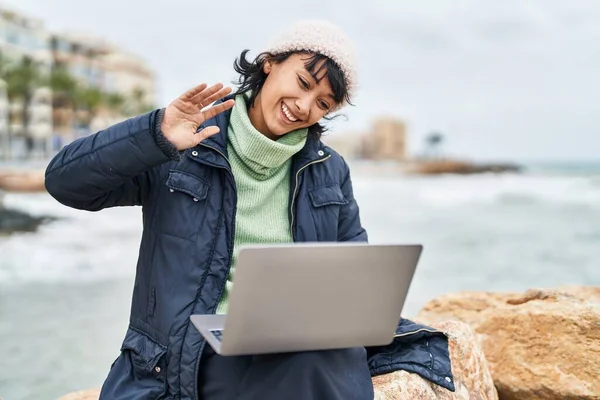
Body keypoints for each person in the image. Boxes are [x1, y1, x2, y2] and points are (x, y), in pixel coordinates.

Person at [45, 20, 455, 400]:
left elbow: (352, 270)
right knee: (313, 365)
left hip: (293, 344)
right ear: (268, 64)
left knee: (328, 354)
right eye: (303, 82)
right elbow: (66, 183)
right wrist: (155, 135)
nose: (305, 105)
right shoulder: (185, 145)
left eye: (323, 103)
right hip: (188, 355)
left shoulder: (329, 171)